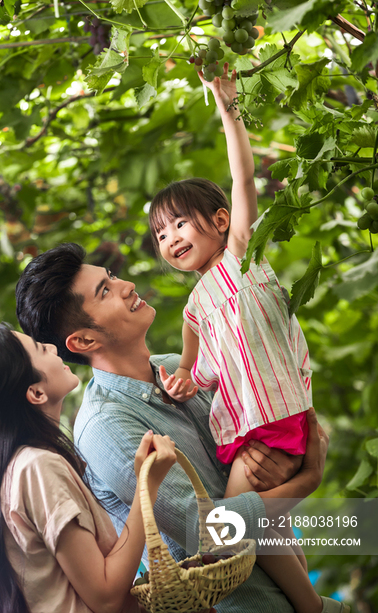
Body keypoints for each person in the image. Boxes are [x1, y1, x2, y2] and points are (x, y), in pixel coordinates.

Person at [15, 242, 331, 613]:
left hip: (291, 588)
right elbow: (209, 533)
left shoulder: (178, 367)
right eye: (105, 291)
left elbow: (259, 438)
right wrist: (306, 482)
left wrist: (284, 468)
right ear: (84, 340)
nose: (127, 285)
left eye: (111, 277)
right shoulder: (104, 425)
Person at [147, 67, 349, 613]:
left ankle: (308, 605)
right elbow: (189, 372)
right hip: (243, 430)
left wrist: (227, 104)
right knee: (264, 523)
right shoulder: (194, 306)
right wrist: (180, 380)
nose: (171, 239)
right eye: (161, 235)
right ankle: (314, 603)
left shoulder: (240, 258)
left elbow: (242, 177)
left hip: (274, 419)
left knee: (231, 522)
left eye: (180, 225)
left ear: (219, 221)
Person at [0, 323, 178, 613]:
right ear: (36, 393)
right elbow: (106, 597)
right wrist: (147, 486)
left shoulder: (15, 470)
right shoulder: (37, 467)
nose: (53, 348)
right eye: (41, 349)